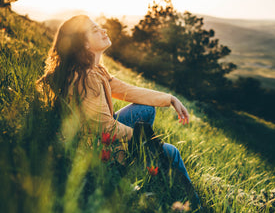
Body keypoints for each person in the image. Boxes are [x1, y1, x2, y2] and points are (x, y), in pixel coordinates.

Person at [37, 15, 201, 210]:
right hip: (97, 151)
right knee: (171, 152)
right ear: (85, 45)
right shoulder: (87, 77)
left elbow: (128, 91)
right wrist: (149, 143)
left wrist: (170, 99)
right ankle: (193, 204)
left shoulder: (95, 70)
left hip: (95, 136)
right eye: (95, 30)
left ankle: (146, 162)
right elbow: (106, 128)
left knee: (145, 108)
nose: (103, 31)